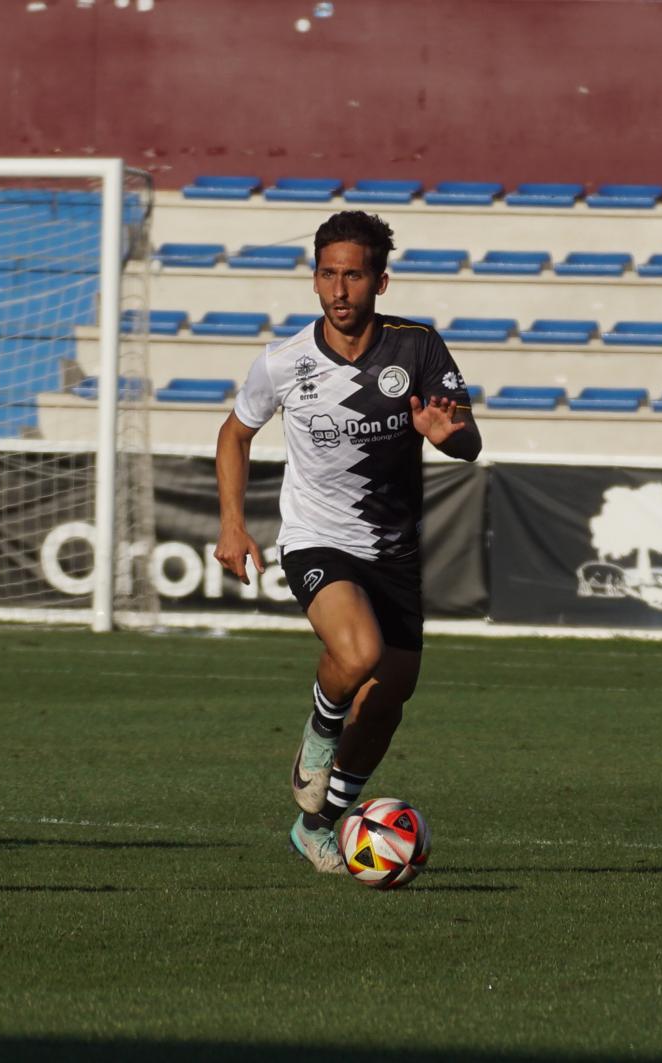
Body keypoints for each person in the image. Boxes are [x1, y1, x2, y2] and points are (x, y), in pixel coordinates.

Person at [214, 211, 480, 874]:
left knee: (390, 698)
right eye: (328, 274)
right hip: (316, 537)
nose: (339, 289)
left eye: (354, 275)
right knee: (357, 652)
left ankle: (318, 824)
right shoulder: (283, 361)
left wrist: (450, 439)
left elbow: (469, 438)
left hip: (394, 547)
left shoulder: (418, 349)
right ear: (314, 279)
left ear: (380, 281)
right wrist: (232, 523)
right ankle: (318, 730)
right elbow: (235, 433)